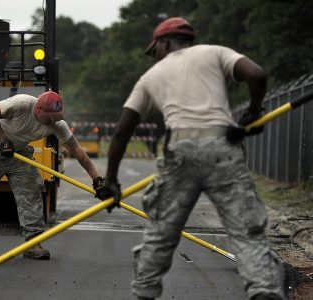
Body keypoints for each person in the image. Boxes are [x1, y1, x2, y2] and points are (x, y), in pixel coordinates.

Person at [95, 17, 285, 300]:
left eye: (154, 50)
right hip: (223, 147)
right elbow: (257, 74)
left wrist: (111, 181)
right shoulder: (215, 52)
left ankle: (145, 293)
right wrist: (254, 112)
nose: (154, 56)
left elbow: (122, 131)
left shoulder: (151, 77)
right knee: (247, 231)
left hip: (180, 152)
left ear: (165, 43)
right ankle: (264, 291)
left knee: (161, 232)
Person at [0, 91, 105, 260]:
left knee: (31, 190)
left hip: (19, 153)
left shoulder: (57, 123)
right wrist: (4, 139)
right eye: (50, 118)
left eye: (56, 118)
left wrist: (97, 179)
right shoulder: (21, 104)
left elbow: (78, 152)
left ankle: (33, 243)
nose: (53, 122)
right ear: (38, 109)